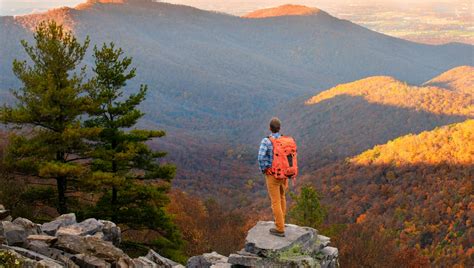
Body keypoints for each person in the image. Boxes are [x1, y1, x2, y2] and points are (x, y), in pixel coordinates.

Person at [258, 117, 291, 237]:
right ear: (279, 128)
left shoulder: (266, 141)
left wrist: (265, 169)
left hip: (273, 175)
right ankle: (282, 221)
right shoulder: (285, 140)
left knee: (275, 201)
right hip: (284, 175)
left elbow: (261, 157)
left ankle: (280, 227)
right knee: (282, 197)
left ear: (269, 128)